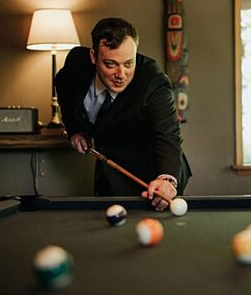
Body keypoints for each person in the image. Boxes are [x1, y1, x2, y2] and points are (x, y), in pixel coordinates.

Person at [55, 17, 191, 210]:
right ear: (93, 57)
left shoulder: (153, 81)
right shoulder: (77, 63)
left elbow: (167, 133)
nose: (121, 74)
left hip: (155, 175)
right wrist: (75, 129)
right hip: (110, 170)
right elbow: (62, 85)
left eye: (129, 63)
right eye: (111, 64)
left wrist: (167, 179)